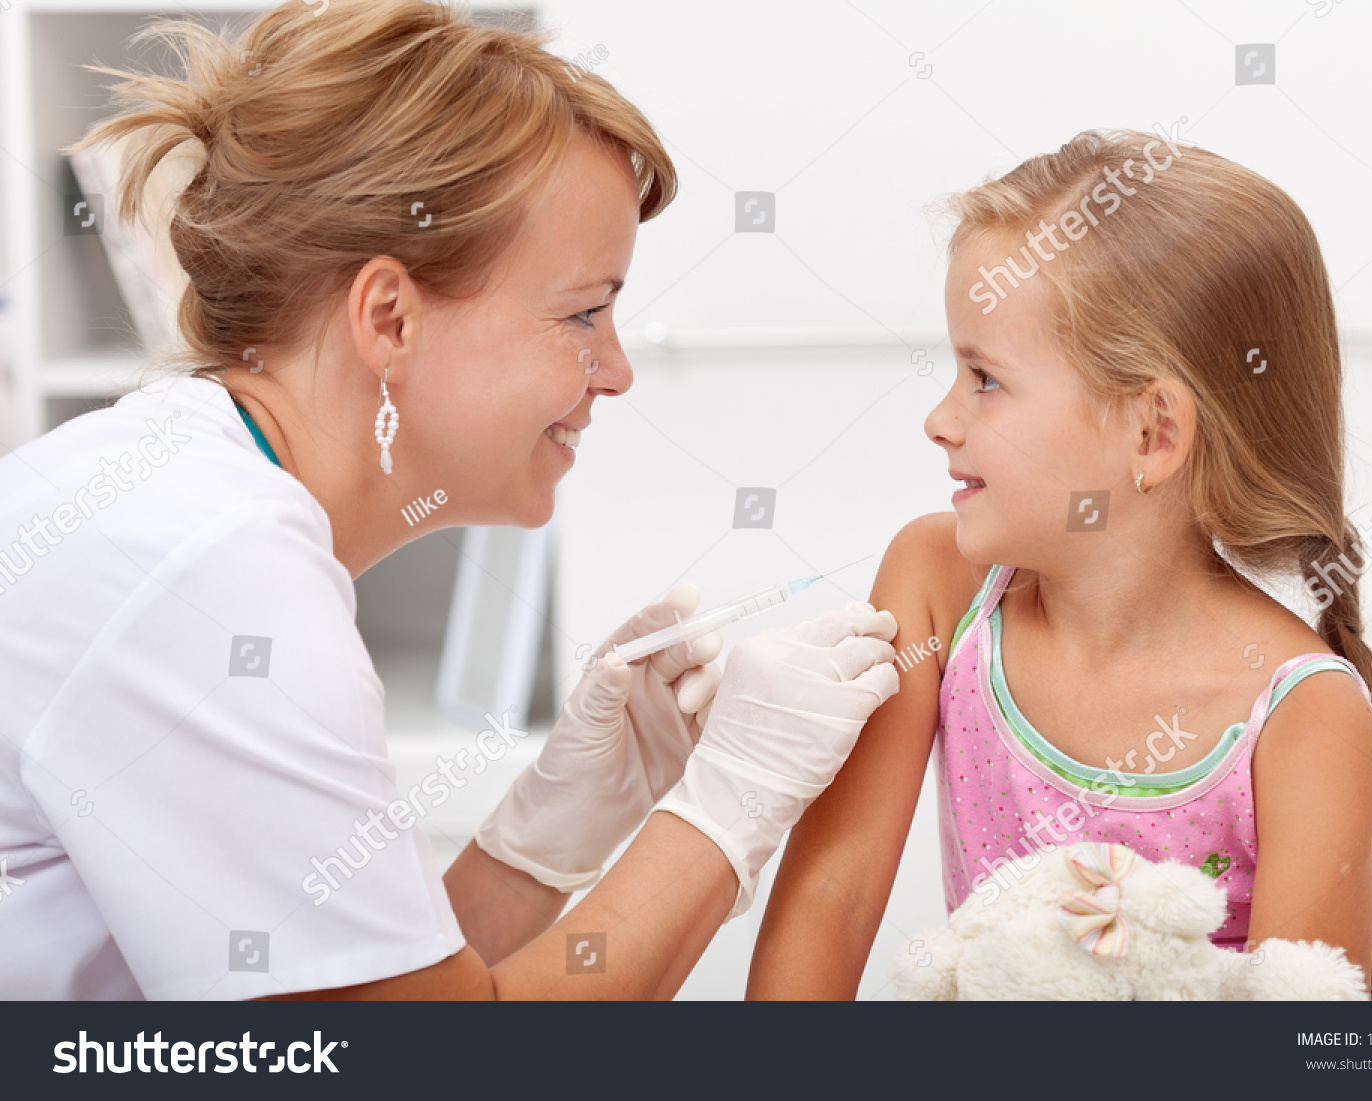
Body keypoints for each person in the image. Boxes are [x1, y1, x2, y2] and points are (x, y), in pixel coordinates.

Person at [0, 0, 899, 1000]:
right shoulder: (212, 574)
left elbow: (368, 995)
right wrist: (728, 806)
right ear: (389, 318)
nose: (615, 372)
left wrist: (549, 833)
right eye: (583, 313)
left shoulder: (187, 489)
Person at [746, 129, 1372, 1001]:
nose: (940, 420)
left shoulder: (1302, 715)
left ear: (1152, 433)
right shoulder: (938, 584)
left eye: (984, 378)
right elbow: (830, 900)